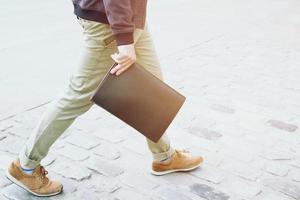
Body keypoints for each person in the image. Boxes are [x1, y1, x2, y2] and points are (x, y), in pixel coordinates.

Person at [5, 0, 204, 197]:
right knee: (77, 96)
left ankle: (164, 156)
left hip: (130, 17)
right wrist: (124, 39)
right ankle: (25, 167)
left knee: (153, 90)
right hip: (111, 24)